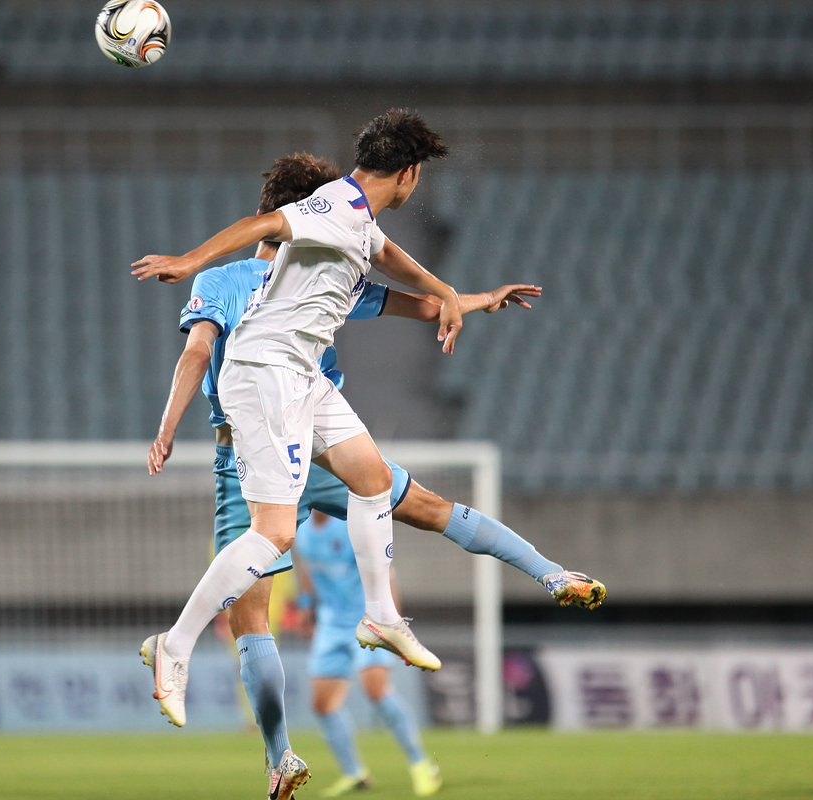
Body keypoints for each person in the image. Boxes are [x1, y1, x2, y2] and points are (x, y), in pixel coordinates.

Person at [133, 112, 603, 796]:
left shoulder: (350, 236)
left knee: (374, 480)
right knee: (272, 545)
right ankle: (176, 650)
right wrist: (188, 261)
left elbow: (395, 269)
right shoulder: (319, 218)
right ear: (408, 173)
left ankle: (391, 615)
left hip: (302, 390)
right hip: (264, 392)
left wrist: (458, 296)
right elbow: (260, 236)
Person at [295, 509, 441, 797]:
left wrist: (394, 626)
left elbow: (386, 575)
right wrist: (305, 603)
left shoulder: (349, 526)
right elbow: (307, 566)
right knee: (323, 705)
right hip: (330, 625)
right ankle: (355, 774)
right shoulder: (302, 529)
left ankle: (421, 763)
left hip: (367, 620)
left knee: (376, 691)